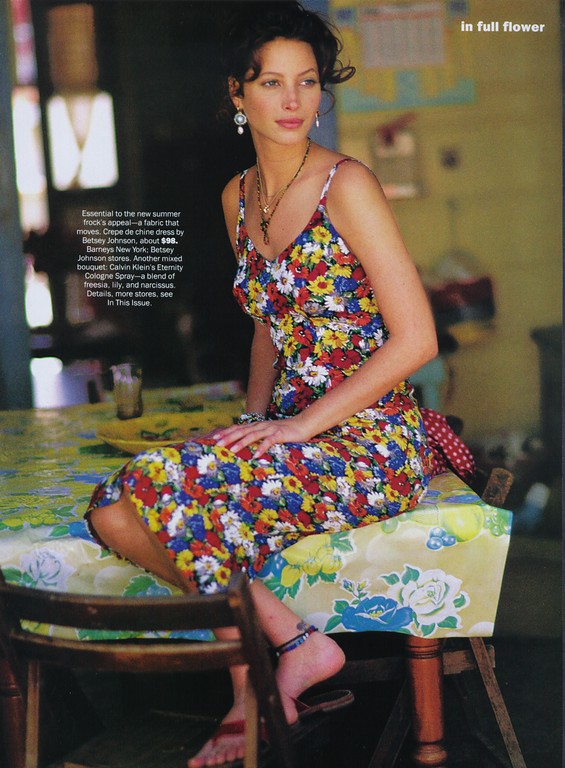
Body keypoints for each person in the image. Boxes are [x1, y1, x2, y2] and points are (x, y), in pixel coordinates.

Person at [85, 3, 438, 766]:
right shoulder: (236, 197)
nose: (291, 100)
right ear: (236, 94)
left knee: (160, 493)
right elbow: (266, 328)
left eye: (306, 81)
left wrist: (299, 426)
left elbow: (416, 339)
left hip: (369, 440)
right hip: (289, 432)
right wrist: (251, 420)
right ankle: (292, 645)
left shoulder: (347, 184)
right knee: (112, 510)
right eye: (270, 82)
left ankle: (248, 691)